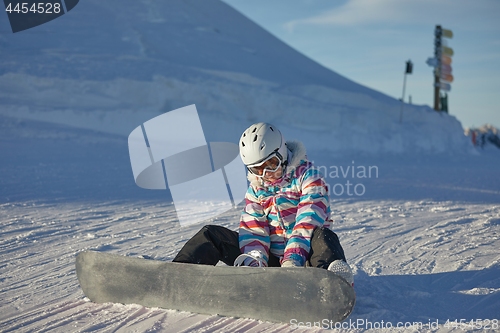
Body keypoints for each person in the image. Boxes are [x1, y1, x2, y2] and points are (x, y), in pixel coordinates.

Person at [173, 122, 353, 286]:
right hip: (271, 262)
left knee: (323, 236)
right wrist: (254, 264)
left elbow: (308, 220)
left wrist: (293, 260)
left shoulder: (308, 177)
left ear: (282, 154)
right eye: (256, 169)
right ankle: (179, 275)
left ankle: (336, 284)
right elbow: (254, 229)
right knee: (211, 235)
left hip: (307, 261)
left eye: (271, 164)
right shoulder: (256, 189)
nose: (265, 173)